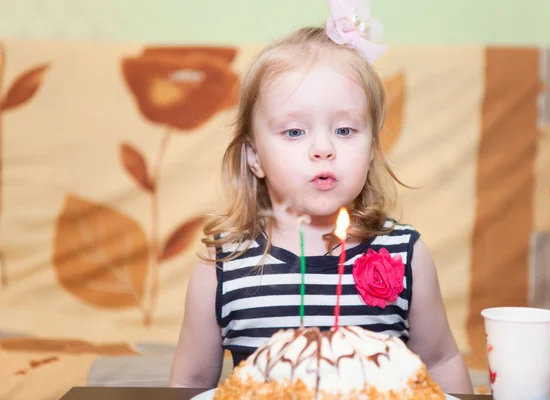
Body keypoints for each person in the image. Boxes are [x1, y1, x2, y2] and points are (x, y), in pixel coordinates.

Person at [170, 0, 473, 394]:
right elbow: (191, 383)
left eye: (345, 130)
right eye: (294, 132)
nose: (323, 148)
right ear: (255, 156)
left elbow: (440, 360)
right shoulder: (222, 264)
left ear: (372, 147)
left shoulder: (404, 254)